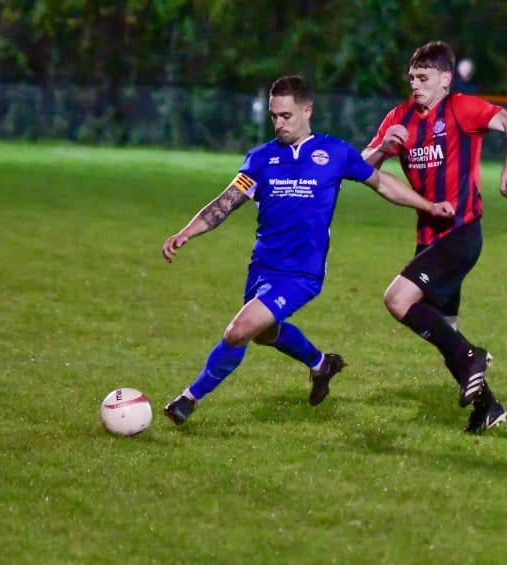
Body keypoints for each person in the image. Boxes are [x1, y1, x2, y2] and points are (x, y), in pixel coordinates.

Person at [162, 75, 455, 425]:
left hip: (302, 274)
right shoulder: (260, 159)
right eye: (274, 116)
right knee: (264, 334)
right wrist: (187, 232)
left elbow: (382, 183)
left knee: (239, 331)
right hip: (263, 267)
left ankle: (188, 399)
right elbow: (225, 203)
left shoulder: (335, 153)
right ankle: (320, 364)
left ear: (307, 111)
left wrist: (428, 205)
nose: (279, 124)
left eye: (286, 115)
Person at [362, 41, 507, 434]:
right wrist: (383, 148)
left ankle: (473, 356)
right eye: (412, 78)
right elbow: (360, 167)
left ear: (445, 79)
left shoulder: (461, 108)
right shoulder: (399, 118)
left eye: (423, 78)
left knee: (397, 299)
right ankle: (488, 407)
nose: (415, 85)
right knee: (445, 331)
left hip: (461, 234)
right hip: (428, 239)